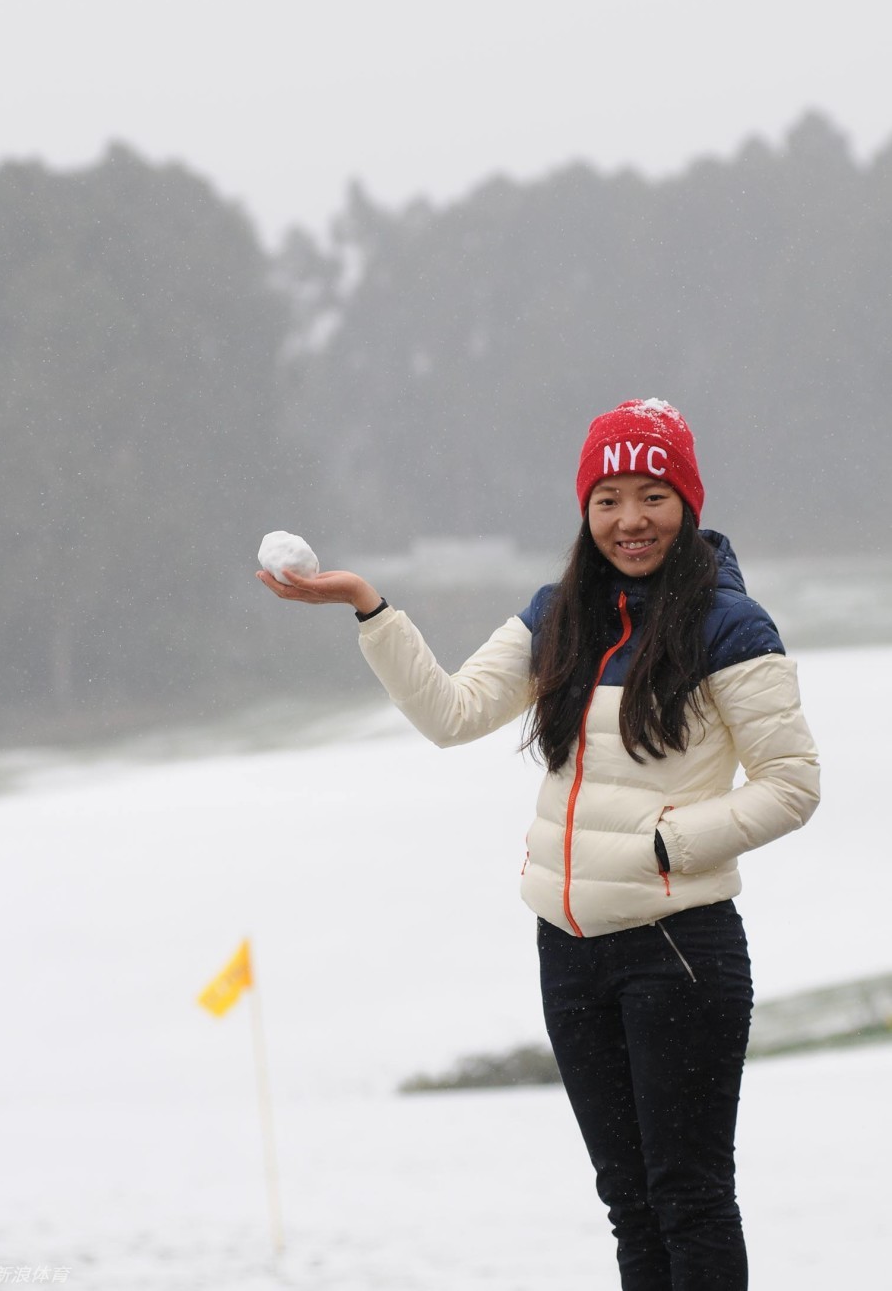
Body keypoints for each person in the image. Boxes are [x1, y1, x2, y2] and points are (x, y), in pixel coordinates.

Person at [257, 398, 820, 1291]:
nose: (630, 520)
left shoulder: (731, 627)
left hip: (678, 949)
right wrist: (368, 606)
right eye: (608, 500)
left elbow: (792, 784)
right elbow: (450, 714)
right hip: (569, 951)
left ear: (687, 503)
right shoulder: (559, 616)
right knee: (630, 1205)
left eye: (653, 496)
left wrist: (667, 845)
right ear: (585, 509)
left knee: (689, 1199)